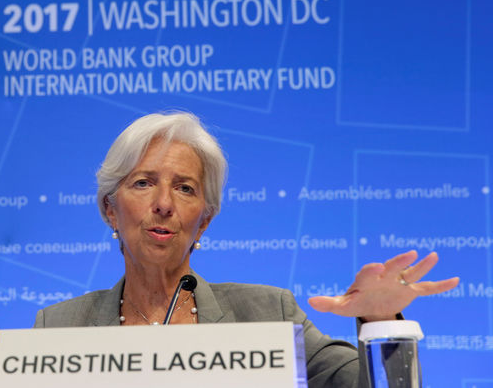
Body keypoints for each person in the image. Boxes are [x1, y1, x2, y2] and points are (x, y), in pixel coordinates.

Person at [30, 112, 459, 386]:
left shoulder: (269, 313)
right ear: (110, 209)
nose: (163, 203)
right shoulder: (59, 327)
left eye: (184, 188)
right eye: (143, 183)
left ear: (205, 219)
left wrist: (380, 324)